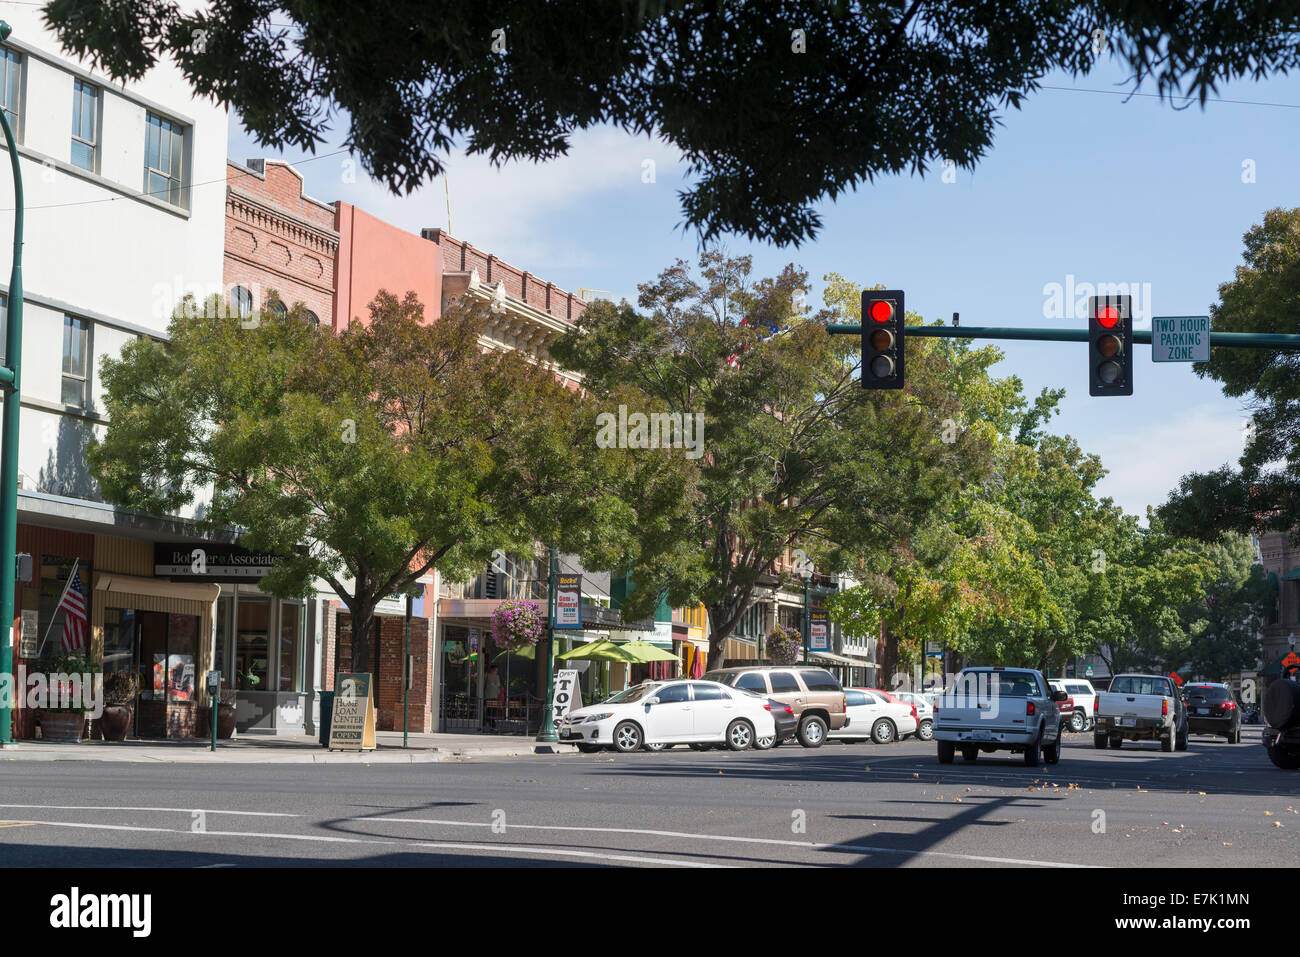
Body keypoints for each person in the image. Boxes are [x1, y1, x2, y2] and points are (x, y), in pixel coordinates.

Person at [484, 665, 501, 731]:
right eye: (495, 670)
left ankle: (492, 724)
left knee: (493, 710)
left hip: (495, 696)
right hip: (488, 695)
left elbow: (498, 686)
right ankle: (489, 723)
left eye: (497, 670)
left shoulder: (497, 677)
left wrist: (498, 693)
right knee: (489, 710)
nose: (496, 672)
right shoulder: (487, 675)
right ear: (491, 670)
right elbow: (483, 684)